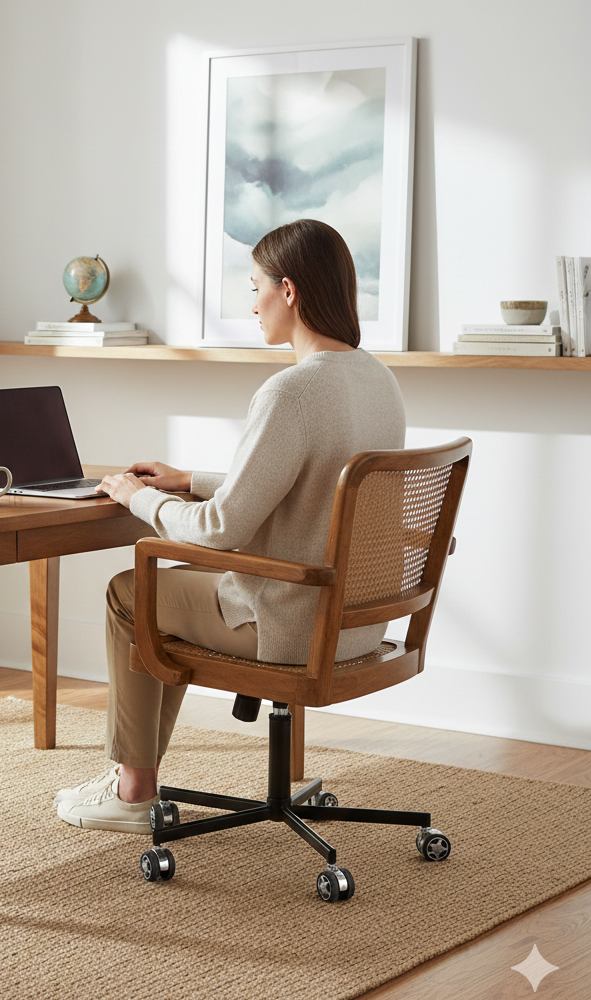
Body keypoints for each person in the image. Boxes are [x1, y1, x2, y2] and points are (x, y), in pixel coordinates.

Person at [54, 219, 406, 834]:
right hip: (359, 623)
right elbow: (314, 489)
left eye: (255, 288)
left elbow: (221, 529)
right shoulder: (378, 382)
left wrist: (139, 499)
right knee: (168, 593)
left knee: (129, 592)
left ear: (288, 292)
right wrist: (188, 479)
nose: (252, 305)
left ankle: (133, 789)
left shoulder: (290, 392)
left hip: (294, 626)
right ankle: (132, 777)